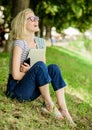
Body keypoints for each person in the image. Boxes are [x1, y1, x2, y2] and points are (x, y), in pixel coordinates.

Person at [6, 8, 76, 126]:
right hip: (17, 91)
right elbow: (16, 75)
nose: (36, 20)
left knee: (53, 68)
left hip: (31, 90)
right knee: (39, 67)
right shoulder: (19, 43)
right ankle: (49, 104)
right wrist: (31, 72)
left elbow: (43, 68)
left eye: (36, 18)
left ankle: (64, 110)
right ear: (23, 23)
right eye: (31, 18)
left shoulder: (41, 42)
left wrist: (30, 70)